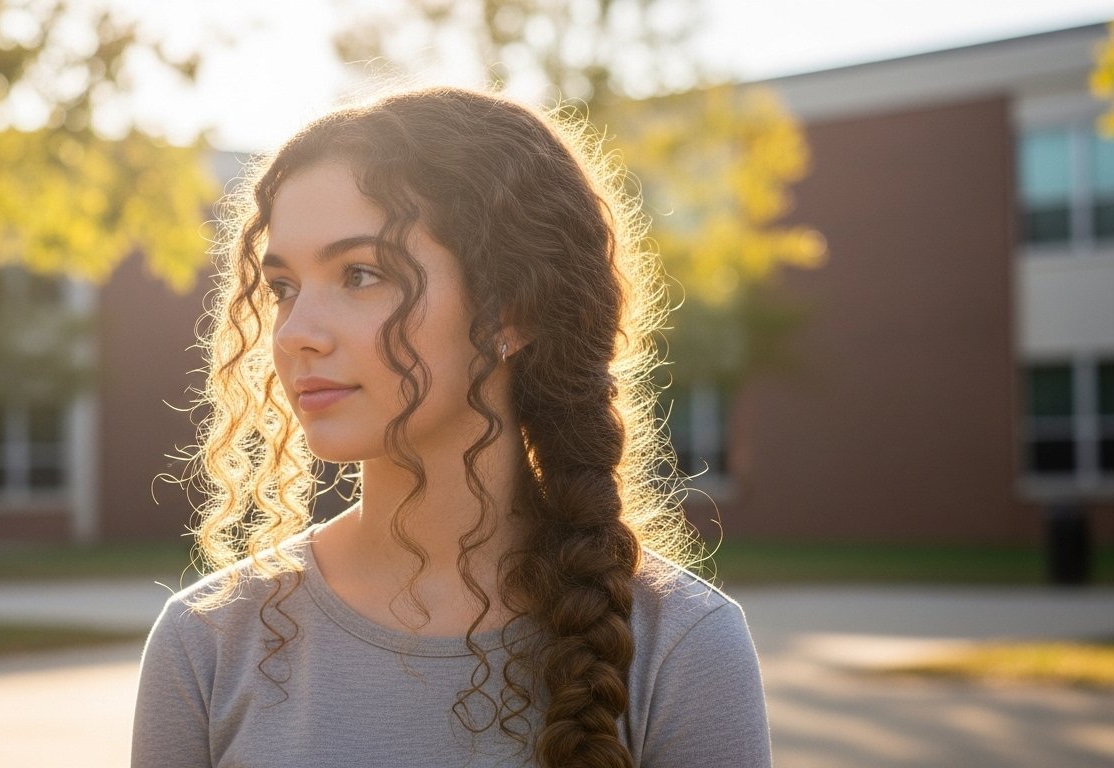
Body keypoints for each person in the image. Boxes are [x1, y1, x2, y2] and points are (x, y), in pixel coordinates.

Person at [132, 86, 770, 768]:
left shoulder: (680, 646)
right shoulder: (206, 643)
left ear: (510, 313)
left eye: (360, 274)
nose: (296, 334)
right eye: (284, 287)